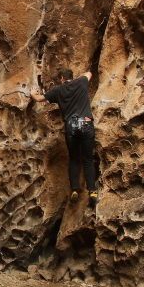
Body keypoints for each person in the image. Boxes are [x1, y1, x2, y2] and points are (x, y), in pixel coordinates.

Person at [30, 68, 99, 206]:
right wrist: (77, 79)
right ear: (71, 77)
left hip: (71, 127)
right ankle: (92, 191)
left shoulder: (58, 90)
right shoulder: (81, 82)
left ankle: (74, 189)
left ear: (61, 78)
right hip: (86, 124)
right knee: (88, 159)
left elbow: (39, 99)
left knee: (74, 159)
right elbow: (89, 73)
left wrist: (33, 93)